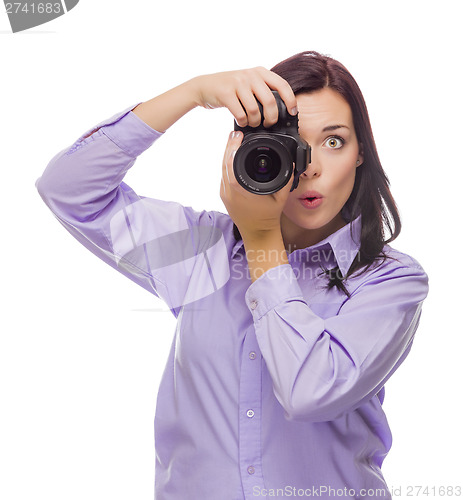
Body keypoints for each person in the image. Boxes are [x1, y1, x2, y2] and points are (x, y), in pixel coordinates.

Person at [35, 51, 429, 499]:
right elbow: (67, 189)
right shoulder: (201, 250)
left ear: (361, 154)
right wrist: (192, 93)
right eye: (293, 142)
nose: (312, 165)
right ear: (251, 152)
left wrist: (262, 240)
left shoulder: (391, 282)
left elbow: (310, 392)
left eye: (334, 141)